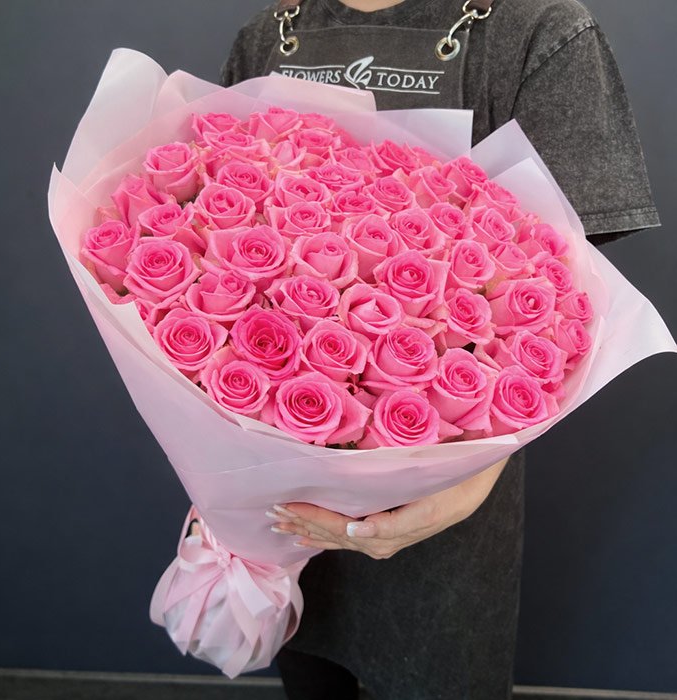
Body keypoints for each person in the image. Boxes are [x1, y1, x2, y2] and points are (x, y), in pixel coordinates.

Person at [218, 1, 661, 698]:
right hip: (283, 506)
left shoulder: (539, 32)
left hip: (452, 489)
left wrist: (471, 475)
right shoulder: (270, 35)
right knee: (310, 670)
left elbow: (567, 290)